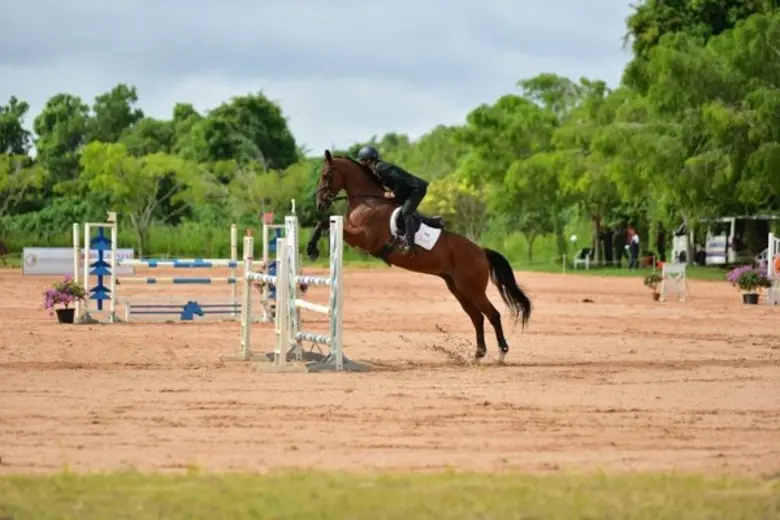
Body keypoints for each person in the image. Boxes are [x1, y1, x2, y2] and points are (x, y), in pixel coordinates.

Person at [356, 145, 429, 254]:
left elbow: (399, 181)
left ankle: (410, 244)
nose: (361, 164)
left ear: (367, 160)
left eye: (362, 161)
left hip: (416, 189)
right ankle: (434, 221)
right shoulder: (376, 169)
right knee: (401, 209)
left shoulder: (381, 168)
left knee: (406, 213)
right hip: (409, 189)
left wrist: (394, 193)